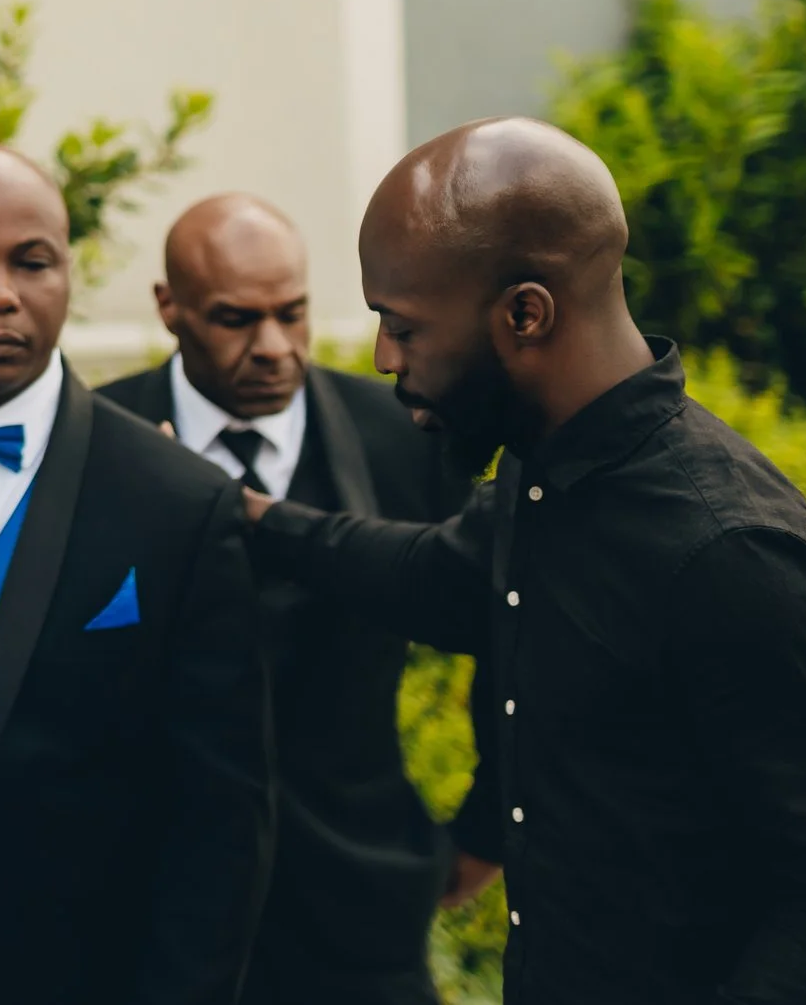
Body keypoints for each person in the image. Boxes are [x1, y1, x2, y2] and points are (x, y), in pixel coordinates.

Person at [244, 117, 806, 1002]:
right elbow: (441, 576)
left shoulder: (729, 554)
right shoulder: (542, 467)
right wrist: (249, 518)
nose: (385, 357)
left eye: (402, 325)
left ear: (525, 314)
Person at [0, 145, 272, 1003]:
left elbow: (220, 817)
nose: (1, 293)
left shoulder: (178, 500)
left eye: (32, 261)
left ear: (68, 274)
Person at [100, 193, 495, 1005]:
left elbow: (501, 619)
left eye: (292, 313)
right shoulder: (103, 441)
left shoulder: (407, 433)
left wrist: (488, 826)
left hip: (363, 904)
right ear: (170, 308)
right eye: (236, 319)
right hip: (152, 909)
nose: (274, 347)